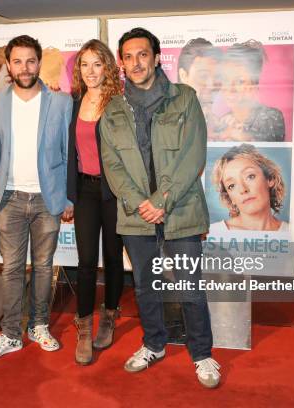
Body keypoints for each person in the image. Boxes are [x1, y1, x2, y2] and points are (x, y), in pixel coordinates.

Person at [100, 27, 221, 388]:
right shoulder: (113, 109)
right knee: (144, 287)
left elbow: (193, 154)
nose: (136, 62)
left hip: (180, 212)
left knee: (190, 288)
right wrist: (140, 203)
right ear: (121, 63)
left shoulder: (184, 98)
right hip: (136, 217)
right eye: (128, 56)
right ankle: (153, 343)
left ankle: (202, 354)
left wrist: (161, 199)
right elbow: (112, 164)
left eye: (142, 54)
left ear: (155, 57)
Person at [0, 35, 73, 361]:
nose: (24, 67)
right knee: (12, 269)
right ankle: (10, 334)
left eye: (30, 61)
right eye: (17, 61)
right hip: (9, 198)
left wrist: (68, 197)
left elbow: (68, 152)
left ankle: (39, 325)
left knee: (44, 266)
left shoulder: (61, 103)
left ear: (38, 63)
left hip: (48, 199)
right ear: (8, 65)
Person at [67, 39, 124, 365]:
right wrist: (68, 195)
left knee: (114, 258)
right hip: (85, 191)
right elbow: (69, 151)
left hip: (114, 191)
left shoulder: (119, 102)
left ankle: (111, 315)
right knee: (87, 260)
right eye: (85, 64)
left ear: (107, 67)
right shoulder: (73, 102)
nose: (90, 71)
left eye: (97, 64)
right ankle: (84, 327)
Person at [217, 40, 285, 142]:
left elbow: (271, 154)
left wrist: (237, 135)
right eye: (225, 79)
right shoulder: (222, 123)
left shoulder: (271, 117)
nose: (230, 88)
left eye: (240, 81)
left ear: (254, 84)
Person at [210, 143, 288, 232]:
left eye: (250, 176)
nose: (243, 189)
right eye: (231, 186)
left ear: (270, 179)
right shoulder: (213, 233)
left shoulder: (293, 231)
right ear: (230, 198)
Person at [177, 38, 222, 139]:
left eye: (217, 77)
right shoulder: (165, 122)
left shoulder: (224, 125)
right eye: (203, 76)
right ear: (183, 75)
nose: (211, 85)